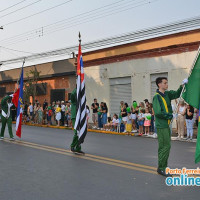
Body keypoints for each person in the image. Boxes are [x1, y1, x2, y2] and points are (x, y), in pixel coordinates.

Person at [152, 76, 187, 177]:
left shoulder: (167, 94)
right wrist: (171, 115)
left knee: (165, 146)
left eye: (167, 83)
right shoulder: (157, 97)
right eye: (165, 83)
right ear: (159, 84)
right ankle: (162, 168)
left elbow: (176, 94)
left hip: (167, 124)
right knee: (165, 146)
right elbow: (158, 112)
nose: (167, 84)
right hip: (162, 125)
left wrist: (182, 85)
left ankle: (162, 167)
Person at [70, 88, 84, 154]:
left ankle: (78, 148)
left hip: (80, 117)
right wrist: (77, 88)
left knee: (80, 133)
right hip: (75, 117)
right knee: (76, 132)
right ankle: (72, 146)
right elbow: (72, 95)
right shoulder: (73, 100)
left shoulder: (80, 101)